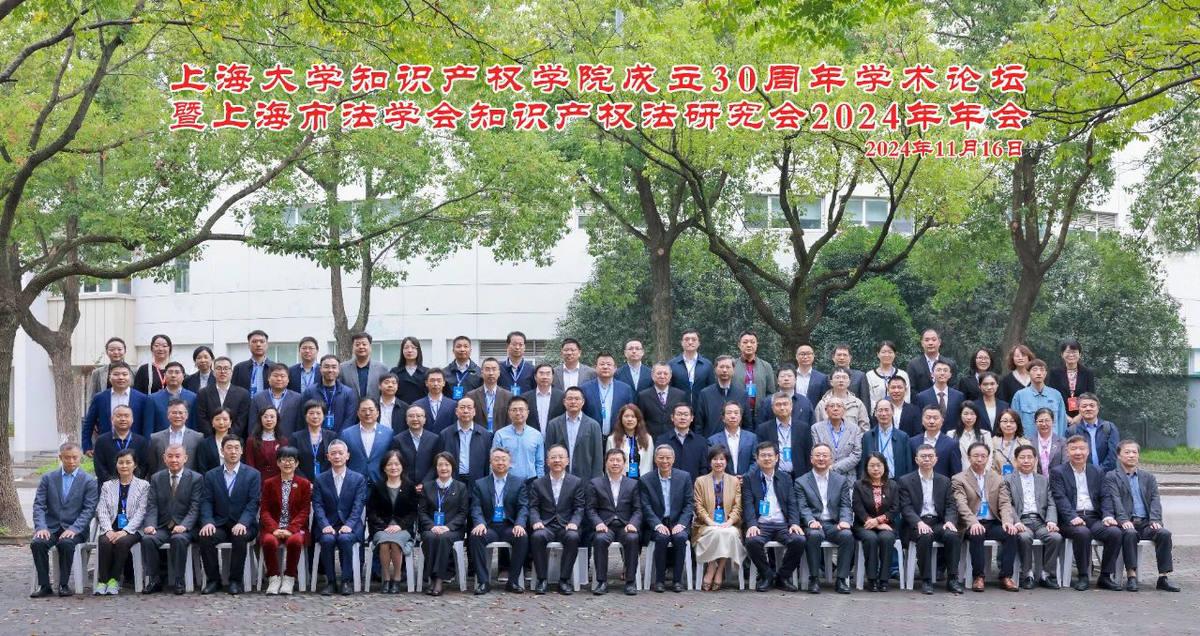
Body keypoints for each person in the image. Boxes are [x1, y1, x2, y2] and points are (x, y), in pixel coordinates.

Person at [1105, 441, 1182, 593]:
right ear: (1119, 455)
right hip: (1127, 522)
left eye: (1134, 452)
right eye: (1127, 452)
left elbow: (1155, 499)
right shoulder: (1112, 476)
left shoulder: (1148, 477)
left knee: (1164, 534)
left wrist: (1155, 520)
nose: (1131, 455)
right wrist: (1123, 520)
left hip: (1146, 523)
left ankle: (1163, 577)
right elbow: (1115, 500)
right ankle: (1131, 576)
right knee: (1130, 534)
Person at [1049, 435, 1123, 591]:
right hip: (1070, 520)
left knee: (1115, 532)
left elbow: (1105, 496)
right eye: (1073, 449)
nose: (1078, 452)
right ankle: (1083, 575)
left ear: (1088, 451)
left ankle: (1105, 576)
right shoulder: (1057, 472)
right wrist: (1072, 517)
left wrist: (1108, 516)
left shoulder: (1097, 471)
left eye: (1082, 448)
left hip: (1093, 517)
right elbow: (1060, 498)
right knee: (1082, 533)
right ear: (1067, 452)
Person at [30, 443, 99, 598]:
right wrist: (41, 527)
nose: (71, 461)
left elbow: (89, 510)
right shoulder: (48, 478)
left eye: (75, 457)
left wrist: (74, 529)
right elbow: (39, 505)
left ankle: (64, 585)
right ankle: (45, 585)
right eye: (67, 458)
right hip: (51, 528)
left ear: (80, 458)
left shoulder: (88, 481)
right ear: (61, 458)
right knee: (37, 543)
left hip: (76, 530)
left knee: (66, 543)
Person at [198, 434, 261, 595]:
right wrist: (208, 521)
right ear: (222, 451)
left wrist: (243, 522)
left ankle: (235, 581)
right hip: (219, 523)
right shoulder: (211, 475)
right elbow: (206, 501)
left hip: (244, 524)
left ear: (242, 451)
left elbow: (253, 503)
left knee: (240, 536)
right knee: (205, 537)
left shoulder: (253, 474)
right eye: (229, 448)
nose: (233, 451)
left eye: (236, 448)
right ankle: (214, 580)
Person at [952, 442, 1020, 592]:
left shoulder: (997, 478)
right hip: (971, 523)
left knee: (1011, 533)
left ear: (988, 458)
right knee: (977, 533)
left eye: (983, 456)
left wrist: (1007, 521)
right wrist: (973, 522)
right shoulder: (959, 479)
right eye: (976, 456)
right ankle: (978, 576)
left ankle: (1005, 576)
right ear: (969, 458)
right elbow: (961, 504)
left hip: (992, 522)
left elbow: (1004, 503)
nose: (979, 459)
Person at [898, 444, 965, 595]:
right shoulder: (905, 481)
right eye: (923, 456)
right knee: (925, 536)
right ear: (916, 459)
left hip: (938, 522)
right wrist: (919, 522)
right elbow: (906, 508)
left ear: (936, 459)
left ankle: (952, 579)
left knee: (952, 535)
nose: (927, 459)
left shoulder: (944, 481)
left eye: (930, 456)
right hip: (915, 524)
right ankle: (926, 580)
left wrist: (949, 521)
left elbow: (951, 505)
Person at [742, 441, 805, 592]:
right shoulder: (750, 478)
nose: (767, 458)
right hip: (761, 524)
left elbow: (792, 502)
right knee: (752, 541)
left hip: (782, 524)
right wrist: (752, 524)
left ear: (777, 458)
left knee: (799, 540)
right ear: (757, 458)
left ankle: (783, 576)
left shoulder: (785, 478)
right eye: (763, 455)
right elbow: (748, 503)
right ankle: (767, 575)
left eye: (770, 455)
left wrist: (794, 523)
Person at [140, 443, 202, 595]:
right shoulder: (156, 478)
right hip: (163, 526)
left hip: (186, 528)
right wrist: (150, 524)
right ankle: (154, 580)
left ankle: (179, 580)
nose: (174, 460)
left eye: (177, 456)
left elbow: (195, 507)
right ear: (164, 458)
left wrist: (185, 526)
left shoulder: (196, 478)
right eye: (170, 456)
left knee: (178, 539)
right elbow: (152, 505)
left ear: (185, 458)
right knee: (148, 539)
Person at [795, 443, 855, 594]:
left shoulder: (840, 480)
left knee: (847, 535)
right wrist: (810, 521)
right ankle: (814, 578)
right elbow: (802, 507)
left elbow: (846, 505)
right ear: (811, 459)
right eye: (817, 455)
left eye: (825, 455)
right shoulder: (801, 481)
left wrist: (845, 520)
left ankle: (841, 579)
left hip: (834, 524)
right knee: (814, 535)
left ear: (831, 459)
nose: (821, 458)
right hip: (814, 523)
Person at [468, 447, 529, 595]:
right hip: (489, 526)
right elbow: (476, 507)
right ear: (490, 462)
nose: (500, 462)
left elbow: (523, 507)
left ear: (510, 463)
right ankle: (483, 582)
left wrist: (519, 524)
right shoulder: (480, 484)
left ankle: (513, 581)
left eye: (504, 459)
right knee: (475, 536)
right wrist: (480, 522)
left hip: (509, 525)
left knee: (522, 537)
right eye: (496, 459)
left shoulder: (519, 483)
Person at [312, 439, 368, 596]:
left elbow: (358, 505)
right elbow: (318, 505)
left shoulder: (358, 478)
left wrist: (349, 525)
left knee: (345, 539)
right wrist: (324, 525)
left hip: (350, 525)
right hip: (327, 524)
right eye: (333, 453)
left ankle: (346, 581)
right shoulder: (320, 479)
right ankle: (330, 582)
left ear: (347, 456)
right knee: (327, 540)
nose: (337, 456)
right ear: (328, 456)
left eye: (341, 453)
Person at [529, 445, 586, 595]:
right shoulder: (538, 483)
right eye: (553, 457)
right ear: (547, 462)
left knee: (573, 537)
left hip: (566, 525)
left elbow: (579, 507)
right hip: (546, 525)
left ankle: (564, 580)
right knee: (537, 536)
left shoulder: (576, 482)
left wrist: (574, 522)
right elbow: (533, 507)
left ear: (567, 461)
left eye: (561, 457)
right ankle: (542, 579)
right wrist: (536, 521)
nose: (557, 460)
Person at [92, 449, 150, 596]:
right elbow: (102, 510)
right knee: (104, 542)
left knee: (122, 542)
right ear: (116, 464)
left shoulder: (143, 485)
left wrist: (125, 531)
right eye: (121, 462)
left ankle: (114, 579)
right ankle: (102, 580)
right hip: (111, 528)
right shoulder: (107, 485)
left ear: (135, 465)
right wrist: (108, 530)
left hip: (132, 530)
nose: (124, 466)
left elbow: (141, 512)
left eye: (128, 462)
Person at [1004, 444, 1063, 590]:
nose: (1026, 461)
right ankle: (1027, 574)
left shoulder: (1044, 480)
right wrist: (1016, 522)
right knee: (1024, 537)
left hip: (1041, 521)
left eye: (1030, 457)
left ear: (1036, 460)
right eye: (1022, 457)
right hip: (1021, 520)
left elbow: (1051, 502)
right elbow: (1007, 504)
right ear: (1015, 460)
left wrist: (1051, 521)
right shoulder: (1007, 479)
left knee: (1055, 537)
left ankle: (1046, 574)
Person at [639, 444, 694, 593]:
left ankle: (677, 580)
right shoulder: (646, 480)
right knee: (662, 538)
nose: (665, 461)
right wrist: (657, 524)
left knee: (680, 538)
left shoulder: (684, 477)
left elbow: (689, 504)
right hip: (657, 523)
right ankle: (659, 580)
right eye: (661, 457)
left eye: (668, 458)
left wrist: (682, 524)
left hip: (677, 522)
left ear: (673, 459)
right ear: (655, 459)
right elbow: (645, 507)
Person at [588, 448, 642, 596]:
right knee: (599, 539)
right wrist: (598, 523)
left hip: (626, 526)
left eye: (618, 460)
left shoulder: (633, 484)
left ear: (624, 464)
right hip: (605, 526)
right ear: (606, 463)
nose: (615, 463)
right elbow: (590, 509)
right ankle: (602, 582)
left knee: (632, 538)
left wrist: (633, 523)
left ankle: (630, 581)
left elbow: (638, 510)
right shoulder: (595, 483)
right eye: (611, 460)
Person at [258, 445, 311, 596]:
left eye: (291, 460)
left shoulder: (304, 484)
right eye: (283, 460)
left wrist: (291, 529)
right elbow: (264, 510)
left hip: (295, 528)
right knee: (268, 541)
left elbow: (304, 511)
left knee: (295, 541)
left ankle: (289, 577)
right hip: (273, 528)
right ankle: (273, 577)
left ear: (297, 463)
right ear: (278, 463)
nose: (287, 463)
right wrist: (274, 528)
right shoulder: (269, 483)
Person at [367, 449, 421, 594]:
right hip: (382, 528)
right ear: (384, 468)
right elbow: (371, 511)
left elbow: (413, 512)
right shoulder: (378, 487)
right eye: (389, 464)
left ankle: (396, 579)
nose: (393, 467)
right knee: (385, 543)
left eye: (397, 464)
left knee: (396, 543)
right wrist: (384, 526)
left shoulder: (409, 487)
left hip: (403, 529)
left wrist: (400, 526)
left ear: (402, 466)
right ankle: (386, 579)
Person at [692, 445, 746, 591]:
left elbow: (738, 506)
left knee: (730, 533)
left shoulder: (734, 481)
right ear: (710, 462)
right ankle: (711, 566)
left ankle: (719, 569)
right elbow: (698, 505)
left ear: (726, 462)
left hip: (729, 523)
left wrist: (729, 521)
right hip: (706, 524)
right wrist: (710, 521)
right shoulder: (700, 481)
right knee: (716, 532)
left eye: (722, 459)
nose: (718, 462)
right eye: (715, 459)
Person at [420, 452, 468, 596]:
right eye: (440, 464)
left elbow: (463, 512)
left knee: (444, 538)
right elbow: (422, 512)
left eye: (447, 464)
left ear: (452, 467)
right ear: (436, 467)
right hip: (432, 528)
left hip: (453, 529)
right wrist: (432, 526)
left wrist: (448, 527)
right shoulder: (427, 487)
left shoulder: (461, 487)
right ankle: (432, 578)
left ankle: (438, 579)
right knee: (430, 537)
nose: (443, 468)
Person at [853, 452, 900, 592]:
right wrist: (873, 523)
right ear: (866, 468)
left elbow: (895, 508)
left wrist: (879, 521)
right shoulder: (859, 485)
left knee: (887, 539)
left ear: (884, 466)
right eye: (872, 465)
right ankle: (872, 579)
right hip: (864, 525)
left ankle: (884, 579)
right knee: (871, 539)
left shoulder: (893, 485)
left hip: (887, 525)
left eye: (879, 465)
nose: (875, 469)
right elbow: (857, 507)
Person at [82, 362, 147, 455]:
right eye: (116, 374)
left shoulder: (142, 398)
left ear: (130, 377)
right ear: (109, 378)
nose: (121, 377)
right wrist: (87, 446)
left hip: (134, 447)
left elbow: (146, 424)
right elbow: (89, 423)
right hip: (106, 446)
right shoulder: (100, 398)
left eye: (124, 374)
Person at [546, 387, 604, 480]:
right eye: (570, 399)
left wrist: (596, 482)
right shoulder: (554, 425)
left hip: (585, 479)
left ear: (583, 402)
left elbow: (598, 458)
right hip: (559, 478)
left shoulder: (593, 425)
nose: (573, 402)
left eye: (577, 399)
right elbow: (548, 454)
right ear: (564, 402)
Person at [757, 391, 814, 477]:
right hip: (774, 476)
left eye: (785, 404)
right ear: (772, 408)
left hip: (799, 476)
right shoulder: (763, 429)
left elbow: (808, 454)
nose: (782, 407)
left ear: (791, 406)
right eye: (778, 405)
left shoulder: (803, 428)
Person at [439, 396, 494, 483]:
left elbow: (488, 463)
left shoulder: (484, 434)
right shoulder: (445, 434)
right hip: (453, 482)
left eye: (469, 408)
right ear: (456, 412)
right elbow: (440, 460)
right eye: (462, 407)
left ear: (474, 412)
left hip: (477, 481)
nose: (465, 411)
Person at [92, 404, 151, 484]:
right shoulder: (102, 440)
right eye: (119, 416)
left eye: (126, 416)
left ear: (132, 419)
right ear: (112, 419)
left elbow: (144, 465)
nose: (123, 419)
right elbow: (99, 466)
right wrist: (113, 484)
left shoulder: (141, 441)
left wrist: (132, 482)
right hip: (108, 487)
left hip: (135, 486)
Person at [339, 397, 392, 484]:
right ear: (358, 413)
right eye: (363, 410)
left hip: (380, 482)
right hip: (354, 482)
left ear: (377, 413)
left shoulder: (388, 433)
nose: (367, 413)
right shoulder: (347, 433)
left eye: (371, 410)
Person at [491, 397, 546, 481]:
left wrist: (540, 482)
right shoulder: (500, 435)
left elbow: (540, 463)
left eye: (521, 409)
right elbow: (494, 461)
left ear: (527, 412)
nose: (518, 413)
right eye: (514, 410)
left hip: (531, 481)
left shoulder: (537, 435)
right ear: (509, 412)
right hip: (507, 481)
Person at [580, 352, 635, 436]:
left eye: (609, 364)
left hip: (617, 436)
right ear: (595, 368)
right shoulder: (584, 389)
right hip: (591, 436)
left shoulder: (625, 389)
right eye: (602, 364)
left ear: (615, 368)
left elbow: (630, 413)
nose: (605, 367)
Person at [300, 354, 358, 433]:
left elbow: (350, 419)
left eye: (334, 367)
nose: (330, 370)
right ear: (320, 369)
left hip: (340, 438)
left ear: (338, 369)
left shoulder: (348, 393)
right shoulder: (310, 391)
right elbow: (303, 416)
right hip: (316, 436)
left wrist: (339, 437)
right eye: (326, 367)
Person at [194, 356, 251, 437]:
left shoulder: (243, 394)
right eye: (219, 368)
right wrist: (215, 438)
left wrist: (228, 438)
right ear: (213, 372)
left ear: (231, 372)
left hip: (234, 440)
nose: (222, 371)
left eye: (226, 368)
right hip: (210, 439)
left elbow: (241, 421)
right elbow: (202, 419)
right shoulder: (203, 393)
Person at [1011, 359, 1069, 437]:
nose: (1039, 373)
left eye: (1042, 370)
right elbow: (1015, 422)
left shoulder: (1056, 395)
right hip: (1028, 442)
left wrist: (1060, 441)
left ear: (1045, 373)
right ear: (1028, 373)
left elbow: (1062, 422)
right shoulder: (1020, 396)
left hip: (1053, 442)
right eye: (1035, 370)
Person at [696, 355, 751, 436]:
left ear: (733, 370)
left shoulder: (742, 395)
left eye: (728, 367)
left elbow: (748, 425)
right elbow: (699, 424)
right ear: (715, 370)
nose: (724, 370)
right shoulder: (705, 394)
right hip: (711, 441)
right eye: (721, 367)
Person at [810, 396, 863, 477]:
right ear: (826, 410)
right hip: (824, 474)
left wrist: (834, 468)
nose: (835, 409)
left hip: (848, 476)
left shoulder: (854, 429)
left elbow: (856, 454)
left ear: (844, 410)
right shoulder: (816, 429)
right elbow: (817, 452)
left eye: (839, 406)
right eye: (832, 406)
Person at [860, 399, 914, 478]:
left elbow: (908, 465)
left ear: (893, 412)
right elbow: (863, 464)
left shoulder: (903, 437)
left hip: (897, 482)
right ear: (875, 413)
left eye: (886, 410)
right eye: (880, 410)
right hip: (874, 481)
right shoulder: (868, 436)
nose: (883, 414)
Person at [1048, 340, 1096, 427]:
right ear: (1062, 354)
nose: (1071, 355)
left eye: (1074, 352)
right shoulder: (1054, 373)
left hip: (1083, 417)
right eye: (1068, 352)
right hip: (1060, 416)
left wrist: (1079, 416)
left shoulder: (1088, 373)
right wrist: (1065, 417)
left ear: (1080, 354)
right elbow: (1052, 397)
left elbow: (1091, 396)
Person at [249, 364, 304, 440]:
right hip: (263, 443)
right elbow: (253, 425)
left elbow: (300, 425)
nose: (279, 379)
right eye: (275, 376)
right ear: (269, 378)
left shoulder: (298, 398)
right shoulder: (258, 398)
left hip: (289, 442)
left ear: (288, 379)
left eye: (282, 376)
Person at [1067, 392, 1119, 472]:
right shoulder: (1071, 431)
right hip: (1082, 474)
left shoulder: (1109, 428)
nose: (1088, 408)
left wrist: (1099, 471)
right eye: (1084, 406)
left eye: (1092, 406)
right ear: (1079, 409)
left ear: (1098, 408)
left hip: (1108, 474)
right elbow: (1070, 456)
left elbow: (1113, 454)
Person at [142, 361, 197, 436]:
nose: (173, 375)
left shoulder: (193, 398)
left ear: (183, 376)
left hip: (186, 440)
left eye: (177, 372)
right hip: (161, 441)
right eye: (170, 372)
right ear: (164, 375)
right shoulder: (153, 399)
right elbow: (148, 428)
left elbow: (195, 426)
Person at [390, 404, 441, 485]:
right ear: (406, 420)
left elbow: (435, 463)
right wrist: (408, 484)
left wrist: (425, 483)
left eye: (419, 416)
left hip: (429, 485)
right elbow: (396, 463)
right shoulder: (397, 440)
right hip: (405, 485)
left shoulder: (434, 439)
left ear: (424, 419)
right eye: (411, 416)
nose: (415, 419)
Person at [656, 403, 709, 479]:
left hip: (694, 484)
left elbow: (704, 468)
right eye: (679, 414)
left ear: (692, 418)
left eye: (686, 414)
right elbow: (657, 466)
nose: (682, 418)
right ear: (672, 417)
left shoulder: (700, 441)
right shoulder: (662, 440)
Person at [636, 362, 688, 439]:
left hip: (675, 439)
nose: (662, 376)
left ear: (670, 376)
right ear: (652, 376)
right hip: (651, 439)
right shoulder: (643, 396)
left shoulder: (680, 395)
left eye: (665, 374)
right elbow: (640, 420)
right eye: (659, 373)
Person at [905, 329, 959, 402]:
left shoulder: (950, 364)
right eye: (927, 340)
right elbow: (912, 389)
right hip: (922, 405)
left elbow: (953, 387)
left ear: (939, 342)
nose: (930, 343)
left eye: (934, 340)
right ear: (922, 343)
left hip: (945, 404)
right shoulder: (913, 365)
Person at [909, 405, 962, 478]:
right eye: (928, 418)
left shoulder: (952, 444)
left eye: (935, 418)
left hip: (942, 484)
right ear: (922, 420)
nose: (931, 421)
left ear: (942, 421)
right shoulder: (912, 442)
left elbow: (956, 473)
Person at [707, 402, 758, 476]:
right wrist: (728, 479)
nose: (733, 416)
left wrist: (745, 477)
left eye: (736, 413)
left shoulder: (752, 438)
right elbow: (711, 464)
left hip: (747, 481)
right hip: (723, 480)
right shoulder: (713, 440)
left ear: (741, 417)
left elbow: (756, 461)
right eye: (729, 413)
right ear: (723, 418)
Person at [815, 344, 873, 410]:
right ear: (833, 357)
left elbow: (865, 402)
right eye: (839, 355)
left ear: (850, 357)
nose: (842, 358)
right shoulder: (827, 378)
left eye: (845, 355)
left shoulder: (860, 376)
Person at [290, 400, 336, 481]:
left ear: (324, 416)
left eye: (318, 413)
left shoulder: (332, 436)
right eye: (311, 413)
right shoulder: (296, 437)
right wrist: (305, 482)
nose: (315, 416)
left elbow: (334, 461)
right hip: (302, 482)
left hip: (326, 481)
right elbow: (293, 462)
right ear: (305, 416)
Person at [915, 361, 966, 434]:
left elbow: (961, 420)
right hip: (930, 437)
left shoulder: (959, 396)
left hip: (953, 437)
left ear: (950, 375)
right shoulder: (922, 397)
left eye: (945, 370)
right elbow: (919, 423)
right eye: (938, 370)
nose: (942, 373)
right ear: (932, 374)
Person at [814, 367, 870, 432]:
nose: (841, 380)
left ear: (849, 382)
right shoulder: (823, 404)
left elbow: (865, 428)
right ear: (831, 382)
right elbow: (816, 428)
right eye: (837, 377)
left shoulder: (857, 404)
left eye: (844, 377)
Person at [732, 330, 775, 413]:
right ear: (739, 345)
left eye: (752, 342)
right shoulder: (732, 365)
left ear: (757, 345)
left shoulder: (766, 366)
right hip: (736, 413)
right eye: (745, 342)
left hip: (760, 413)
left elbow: (770, 393)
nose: (749, 345)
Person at [669, 329, 715, 406]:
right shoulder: (672, 365)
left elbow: (711, 389)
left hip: (701, 407)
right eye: (686, 339)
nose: (690, 342)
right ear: (682, 343)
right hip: (679, 408)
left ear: (699, 343)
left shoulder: (707, 365)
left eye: (694, 339)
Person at [340, 331, 390, 402]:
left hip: (374, 408)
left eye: (364, 344)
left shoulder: (382, 368)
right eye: (357, 344)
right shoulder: (342, 368)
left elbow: (386, 393)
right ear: (353, 348)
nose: (361, 347)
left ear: (370, 346)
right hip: (350, 408)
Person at [607, 403, 654, 478]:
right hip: (621, 481)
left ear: (638, 419)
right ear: (621, 419)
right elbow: (608, 465)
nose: (630, 419)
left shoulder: (648, 439)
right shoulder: (612, 439)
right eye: (626, 416)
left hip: (643, 480)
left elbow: (649, 464)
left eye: (633, 416)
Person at [245, 406, 291, 481]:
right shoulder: (252, 440)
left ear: (277, 419)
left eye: (272, 417)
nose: (269, 420)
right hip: (258, 480)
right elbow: (250, 464)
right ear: (260, 419)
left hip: (278, 480)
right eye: (265, 417)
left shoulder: (283, 441)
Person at [467, 358, 513, 433]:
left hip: (500, 437)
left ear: (499, 373)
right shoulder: (471, 396)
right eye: (487, 369)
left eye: (494, 369)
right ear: (482, 373)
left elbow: (510, 421)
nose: (491, 373)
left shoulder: (508, 396)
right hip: (478, 436)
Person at [949, 401, 992, 470]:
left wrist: (982, 473)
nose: (969, 417)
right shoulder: (951, 435)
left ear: (977, 416)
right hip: (959, 474)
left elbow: (989, 459)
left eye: (972, 414)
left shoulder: (985, 434)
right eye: (965, 414)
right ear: (960, 415)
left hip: (980, 473)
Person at [410, 368, 454, 434]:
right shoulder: (417, 404)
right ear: (426, 383)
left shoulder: (452, 404)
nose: (435, 384)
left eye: (439, 380)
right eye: (432, 380)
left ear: (444, 383)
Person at [867, 340, 910, 407]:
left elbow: (906, 397)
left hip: (899, 411)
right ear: (878, 354)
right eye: (883, 352)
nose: (887, 355)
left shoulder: (903, 374)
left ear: (895, 354)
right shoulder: (870, 375)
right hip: (879, 412)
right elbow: (870, 399)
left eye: (890, 352)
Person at [991, 408, 1032, 476]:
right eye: (1005, 421)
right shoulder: (992, 442)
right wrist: (999, 480)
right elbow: (989, 467)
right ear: (999, 423)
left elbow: (1031, 467)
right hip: (997, 480)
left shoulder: (1025, 443)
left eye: (1012, 421)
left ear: (1017, 424)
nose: (1008, 424)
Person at [231, 330, 272, 397]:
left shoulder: (275, 368)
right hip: (246, 403)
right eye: (254, 342)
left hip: (268, 403)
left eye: (262, 342)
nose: (258, 344)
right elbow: (233, 391)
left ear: (267, 345)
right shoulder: (239, 368)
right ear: (248, 345)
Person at [391, 336, 429, 405]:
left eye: (413, 347)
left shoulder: (426, 372)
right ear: (402, 351)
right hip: (400, 409)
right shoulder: (394, 372)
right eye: (406, 347)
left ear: (418, 351)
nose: (409, 350)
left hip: (421, 409)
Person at [196, 408, 235, 475]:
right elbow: (202, 469)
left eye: (225, 419)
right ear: (212, 422)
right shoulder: (204, 444)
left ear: (230, 423)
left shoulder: (237, 442)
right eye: (217, 419)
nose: (221, 422)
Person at [528, 363, 565, 430]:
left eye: (548, 374)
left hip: (555, 435)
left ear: (553, 377)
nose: (545, 377)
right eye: (541, 373)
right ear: (535, 377)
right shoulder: (526, 398)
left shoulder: (562, 397)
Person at [498, 331, 537, 395]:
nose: (517, 347)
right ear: (507, 346)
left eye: (520, 345)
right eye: (514, 344)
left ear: (524, 347)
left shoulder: (532, 370)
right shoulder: (499, 369)